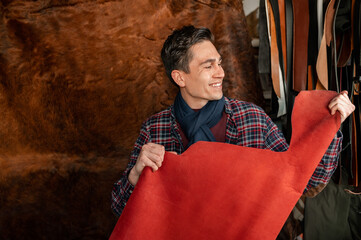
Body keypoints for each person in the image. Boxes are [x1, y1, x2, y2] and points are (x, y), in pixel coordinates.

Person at [111, 25, 355, 217]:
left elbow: (304, 181)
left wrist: (330, 128)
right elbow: (120, 208)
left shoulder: (252, 119)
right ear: (180, 77)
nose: (221, 72)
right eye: (209, 66)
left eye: (220, 62)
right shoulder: (155, 129)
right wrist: (135, 175)